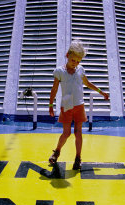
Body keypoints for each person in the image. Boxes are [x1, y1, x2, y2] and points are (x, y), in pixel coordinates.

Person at [48, 40, 109, 170]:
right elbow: (54, 89)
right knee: (66, 133)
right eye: (73, 60)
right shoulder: (59, 71)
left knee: (78, 132)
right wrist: (50, 105)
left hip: (79, 106)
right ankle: (57, 152)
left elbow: (87, 83)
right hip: (67, 106)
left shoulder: (80, 70)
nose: (75, 63)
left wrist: (101, 92)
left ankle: (78, 158)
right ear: (67, 55)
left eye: (77, 61)